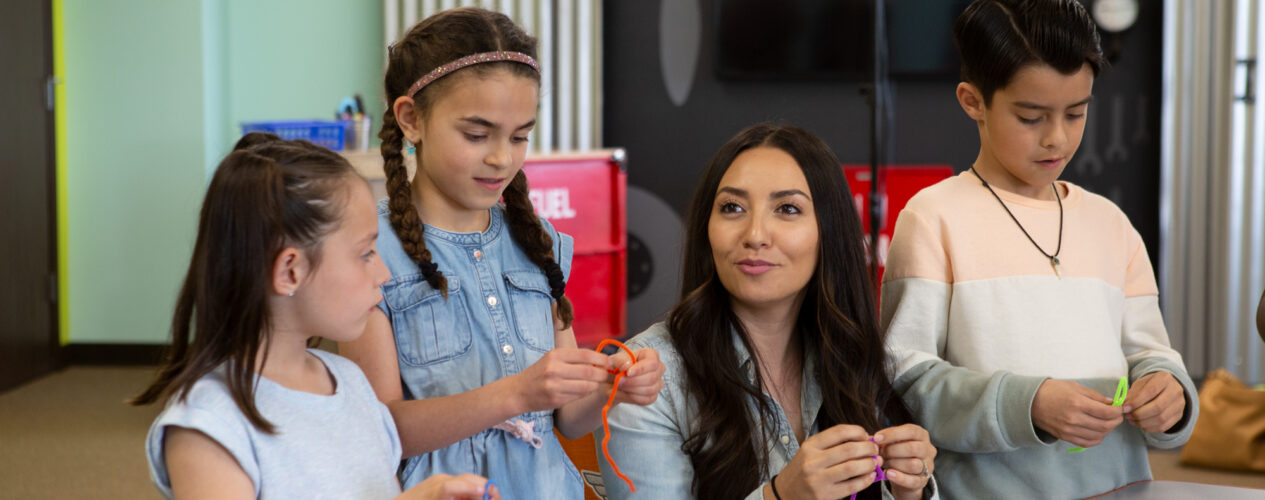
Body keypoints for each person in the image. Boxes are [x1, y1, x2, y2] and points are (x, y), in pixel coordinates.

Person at [338, 7, 665, 498]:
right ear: (411, 119)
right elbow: (380, 430)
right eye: (476, 135)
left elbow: (568, 420)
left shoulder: (536, 241)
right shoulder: (371, 251)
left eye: (520, 136)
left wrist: (609, 387)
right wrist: (514, 393)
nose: (502, 157)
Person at [880, 1, 1199, 498]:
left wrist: (1169, 390)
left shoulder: (1112, 224)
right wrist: (1027, 404)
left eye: (1076, 113)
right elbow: (906, 379)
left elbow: (1150, 354)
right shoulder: (932, 218)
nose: (1057, 138)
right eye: (1031, 117)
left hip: (1120, 487)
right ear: (973, 101)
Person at [133, 133, 496, 499]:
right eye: (366, 253)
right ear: (290, 271)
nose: (384, 274)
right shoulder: (209, 425)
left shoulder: (350, 381)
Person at [596, 124, 938, 500]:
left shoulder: (856, 358)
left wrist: (909, 492)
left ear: (829, 231)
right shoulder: (646, 377)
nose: (755, 235)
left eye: (787, 209)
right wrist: (781, 495)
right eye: (732, 207)